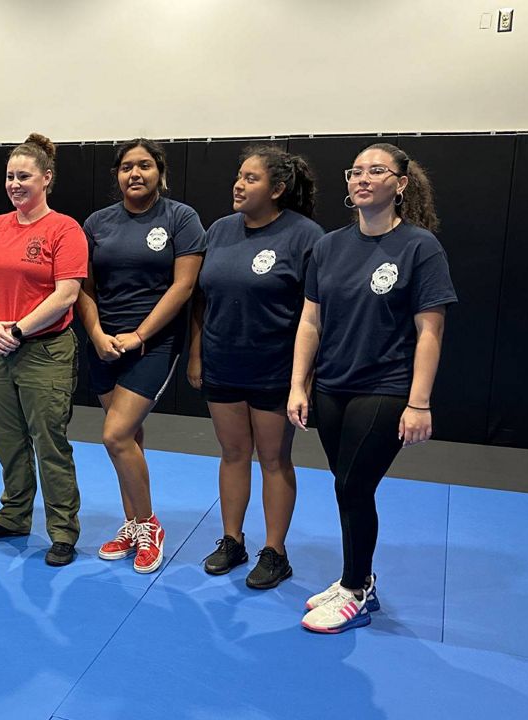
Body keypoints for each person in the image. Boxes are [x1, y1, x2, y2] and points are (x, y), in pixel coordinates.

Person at [289, 143, 456, 633]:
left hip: (385, 387)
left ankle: (357, 588)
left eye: (376, 171)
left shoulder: (420, 247)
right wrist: (299, 384)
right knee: (347, 490)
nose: (362, 178)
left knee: (354, 485)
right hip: (332, 388)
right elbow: (310, 322)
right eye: (355, 171)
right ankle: (352, 580)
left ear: (400, 184)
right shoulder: (329, 246)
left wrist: (418, 403)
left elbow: (431, 330)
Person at [187, 145, 322, 588]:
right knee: (232, 454)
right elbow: (202, 299)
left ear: (278, 189)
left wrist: (302, 379)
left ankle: (275, 551)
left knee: (273, 458)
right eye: (238, 176)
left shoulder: (305, 236)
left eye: (251, 179)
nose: (239, 185)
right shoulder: (221, 230)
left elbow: (316, 313)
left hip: (274, 370)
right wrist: (197, 353)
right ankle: (232, 540)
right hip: (223, 363)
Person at [76, 139, 205, 573]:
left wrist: (140, 335)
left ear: (159, 171)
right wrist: (96, 334)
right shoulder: (97, 222)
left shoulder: (179, 218)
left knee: (114, 435)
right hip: (104, 344)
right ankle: (130, 523)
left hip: (153, 344)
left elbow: (183, 287)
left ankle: (149, 525)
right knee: (128, 439)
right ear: (116, 174)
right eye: (127, 166)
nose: (135, 173)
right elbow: (85, 288)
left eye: (145, 165)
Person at [0, 134, 88, 567]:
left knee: (49, 443)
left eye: (24, 176)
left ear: (46, 179)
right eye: (9, 176)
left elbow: (66, 294)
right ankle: (14, 516)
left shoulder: (64, 229)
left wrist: (16, 329)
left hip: (44, 350)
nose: (14, 184)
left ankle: (62, 531)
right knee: (8, 441)